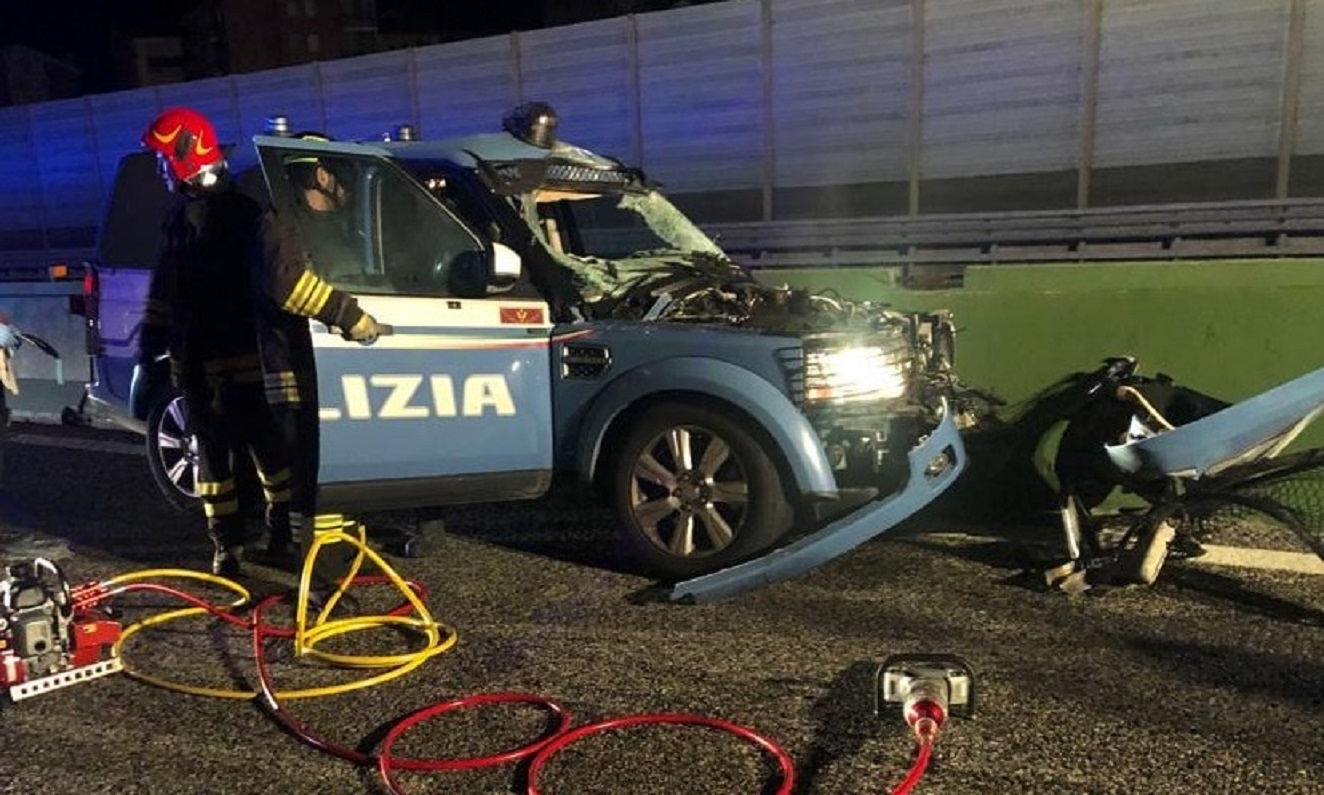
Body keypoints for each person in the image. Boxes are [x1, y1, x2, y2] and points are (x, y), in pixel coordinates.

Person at [138, 107, 295, 577]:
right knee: (212, 462)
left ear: (188, 154)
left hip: (244, 356)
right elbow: (166, 289)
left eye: (167, 159)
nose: (163, 169)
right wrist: (152, 342)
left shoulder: (242, 214)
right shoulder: (178, 219)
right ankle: (227, 548)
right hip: (197, 364)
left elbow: (272, 284)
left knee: (270, 452)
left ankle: (282, 534)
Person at [251, 132, 381, 587]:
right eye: (341, 175)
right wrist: (350, 315)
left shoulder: (325, 227)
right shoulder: (283, 221)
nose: (346, 188)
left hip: (320, 366)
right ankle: (325, 570)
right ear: (322, 175)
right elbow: (288, 287)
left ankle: (296, 546)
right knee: (318, 467)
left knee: (307, 467)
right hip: (293, 368)